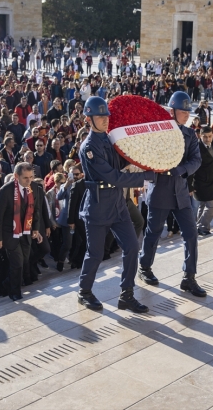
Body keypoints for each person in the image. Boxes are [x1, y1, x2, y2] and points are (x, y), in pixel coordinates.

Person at [76, 96, 156, 312]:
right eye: (100, 116)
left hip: (118, 204)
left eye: (106, 116)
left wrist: (140, 156)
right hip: (98, 205)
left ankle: (126, 294)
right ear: (88, 118)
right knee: (95, 253)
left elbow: (120, 161)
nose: (104, 119)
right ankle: (84, 292)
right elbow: (113, 176)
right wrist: (146, 176)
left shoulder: (108, 140)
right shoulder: (89, 147)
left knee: (131, 247)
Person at [139, 91, 206, 297]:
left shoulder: (189, 135)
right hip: (160, 190)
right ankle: (144, 267)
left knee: (191, 233)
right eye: (183, 111)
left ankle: (189, 277)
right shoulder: (158, 133)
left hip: (181, 191)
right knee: (153, 232)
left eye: (188, 111)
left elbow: (196, 160)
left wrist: (182, 169)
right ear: (171, 111)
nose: (187, 114)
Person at [0, 162, 41, 301]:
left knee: (24, 261)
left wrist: (36, 229)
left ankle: (8, 283)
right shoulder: (6, 191)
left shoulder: (34, 187)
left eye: (31, 177)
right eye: (25, 178)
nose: (29, 180)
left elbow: (36, 210)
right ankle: (15, 292)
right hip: (10, 233)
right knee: (17, 263)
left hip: (26, 232)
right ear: (16, 176)